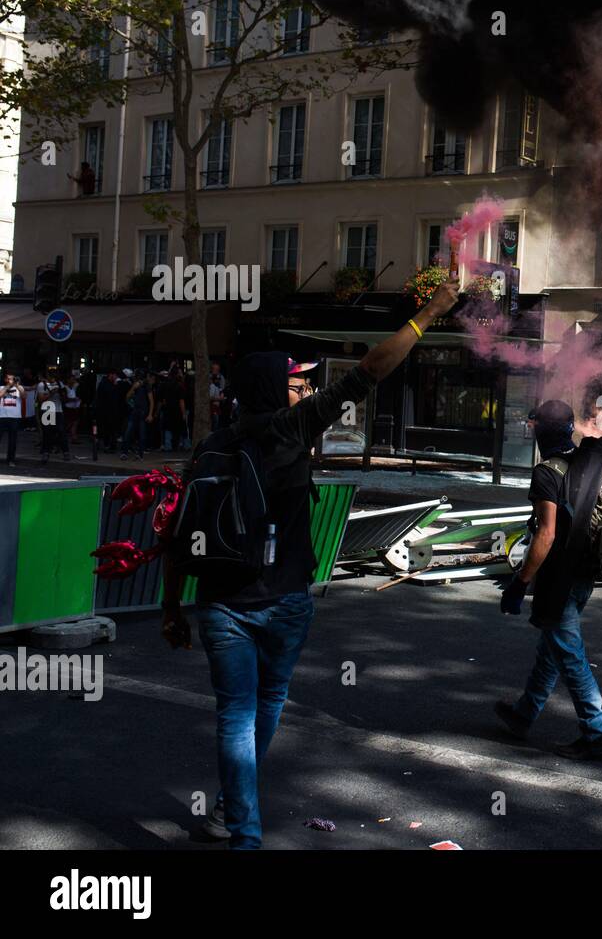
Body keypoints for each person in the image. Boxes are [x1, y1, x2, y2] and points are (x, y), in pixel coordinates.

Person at [160, 278, 461, 849]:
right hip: (284, 600)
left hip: (219, 604)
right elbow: (370, 370)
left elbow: (181, 531)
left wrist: (172, 607)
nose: (303, 390)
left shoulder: (209, 446)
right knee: (267, 703)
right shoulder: (291, 429)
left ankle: (237, 823)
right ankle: (235, 818)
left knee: (235, 715)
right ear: (276, 389)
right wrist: (431, 313)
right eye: (296, 383)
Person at [493, 394, 602, 760]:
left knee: (569, 655)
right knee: (553, 646)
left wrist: (519, 584)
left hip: (559, 578)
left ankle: (597, 733)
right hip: (586, 573)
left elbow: (545, 535)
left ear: (541, 433)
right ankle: (524, 714)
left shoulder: (546, 473)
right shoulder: (593, 453)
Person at [35, 370, 70, 463]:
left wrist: (63, 393)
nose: (53, 379)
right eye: (51, 377)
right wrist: (52, 392)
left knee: (61, 432)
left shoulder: (60, 384)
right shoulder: (41, 385)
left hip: (58, 410)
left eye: (55, 377)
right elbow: (41, 399)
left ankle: (66, 452)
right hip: (46, 410)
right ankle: (46, 452)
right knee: (47, 433)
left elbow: (65, 399)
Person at [119, 370, 152, 460]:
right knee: (129, 432)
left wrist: (150, 414)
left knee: (140, 434)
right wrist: (133, 388)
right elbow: (127, 396)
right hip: (135, 411)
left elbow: (151, 401)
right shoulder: (136, 386)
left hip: (141, 412)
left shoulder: (146, 386)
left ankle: (139, 453)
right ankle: (126, 452)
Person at [0, 371, 23, 466]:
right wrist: (8, 386)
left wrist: (17, 385)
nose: (10, 380)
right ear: (5, 379)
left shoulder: (19, 388)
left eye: (12, 379)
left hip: (15, 417)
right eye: (8, 378)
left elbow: (24, 396)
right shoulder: (1, 387)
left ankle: (11, 459)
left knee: (13, 440)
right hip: (2, 416)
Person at [96, 369, 120, 451]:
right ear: (111, 375)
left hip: (110, 411)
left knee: (110, 429)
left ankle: (109, 445)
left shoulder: (109, 384)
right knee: (107, 429)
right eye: (115, 375)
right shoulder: (104, 384)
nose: (116, 377)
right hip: (106, 411)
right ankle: (107, 445)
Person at [64, 370, 81, 444]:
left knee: (75, 423)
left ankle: (74, 437)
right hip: (68, 408)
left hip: (75, 408)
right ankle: (63, 435)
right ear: (68, 380)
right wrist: (73, 399)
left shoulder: (75, 387)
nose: (73, 380)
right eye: (72, 379)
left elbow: (78, 385)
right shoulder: (65, 388)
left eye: (74, 379)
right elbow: (64, 399)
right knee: (69, 423)